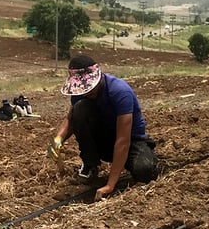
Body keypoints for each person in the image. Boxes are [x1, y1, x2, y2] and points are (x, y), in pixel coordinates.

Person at [48, 55, 159, 201]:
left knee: (145, 171)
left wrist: (110, 185)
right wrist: (58, 139)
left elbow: (123, 141)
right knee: (80, 109)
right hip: (104, 140)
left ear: (99, 76)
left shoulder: (120, 92)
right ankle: (90, 165)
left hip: (131, 142)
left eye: (90, 88)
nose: (87, 92)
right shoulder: (81, 94)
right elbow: (70, 119)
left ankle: (131, 163)